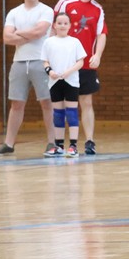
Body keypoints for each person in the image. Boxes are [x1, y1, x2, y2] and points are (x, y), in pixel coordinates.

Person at [0, 0, 57, 157]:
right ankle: (9, 143)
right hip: (19, 62)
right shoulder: (14, 12)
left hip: (41, 61)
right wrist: (29, 35)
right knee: (16, 104)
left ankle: (53, 142)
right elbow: (6, 38)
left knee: (47, 102)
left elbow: (40, 32)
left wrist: (19, 33)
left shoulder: (46, 10)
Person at [53, 0, 107, 155]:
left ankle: (90, 141)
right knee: (62, 104)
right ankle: (61, 143)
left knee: (86, 102)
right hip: (63, 66)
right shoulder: (65, 2)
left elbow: (101, 34)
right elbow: (53, 29)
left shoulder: (98, 9)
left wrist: (97, 55)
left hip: (85, 65)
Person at [40, 12, 87, 157]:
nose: (62, 26)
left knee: (71, 112)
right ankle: (59, 146)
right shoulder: (48, 42)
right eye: (59, 23)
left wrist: (69, 71)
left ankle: (73, 146)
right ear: (54, 25)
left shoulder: (74, 42)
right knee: (58, 114)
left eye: (65, 23)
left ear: (70, 25)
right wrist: (50, 71)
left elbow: (81, 61)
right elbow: (45, 61)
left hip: (71, 81)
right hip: (55, 82)